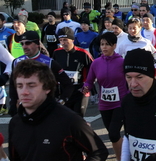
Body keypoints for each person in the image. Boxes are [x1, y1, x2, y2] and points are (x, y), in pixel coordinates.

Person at [8, 59, 108, 161]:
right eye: (20, 86)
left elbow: (98, 151)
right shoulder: (15, 123)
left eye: (31, 85)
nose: (24, 92)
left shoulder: (69, 120)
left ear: (47, 88)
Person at [4, 31, 73, 116]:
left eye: (28, 43)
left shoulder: (49, 63)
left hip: (46, 110)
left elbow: (68, 85)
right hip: (25, 109)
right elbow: (13, 86)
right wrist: (12, 104)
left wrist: (61, 101)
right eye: (22, 44)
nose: (24, 46)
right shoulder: (16, 62)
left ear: (37, 44)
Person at [82, 33, 128, 161]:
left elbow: (129, 80)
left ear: (114, 45)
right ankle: (124, 148)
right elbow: (89, 81)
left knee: (113, 134)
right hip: (104, 104)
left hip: (120, 103)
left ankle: (120, 159)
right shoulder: (96, 63)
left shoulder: (122, 62)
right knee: (113, 134)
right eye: (102, 44)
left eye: (107, 44)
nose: (104, 47)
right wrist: (86, 87)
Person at [53, 27, 93, 117]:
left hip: (80, 91)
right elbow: (53, 71)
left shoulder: (83, 53)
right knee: (66, 119)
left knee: (78, 119)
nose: (63, 43)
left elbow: (94, 70)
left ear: (72, 40)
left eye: (66, 40)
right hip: (65, 91)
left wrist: (88, 84)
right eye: (61, 40)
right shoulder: (57, 53)